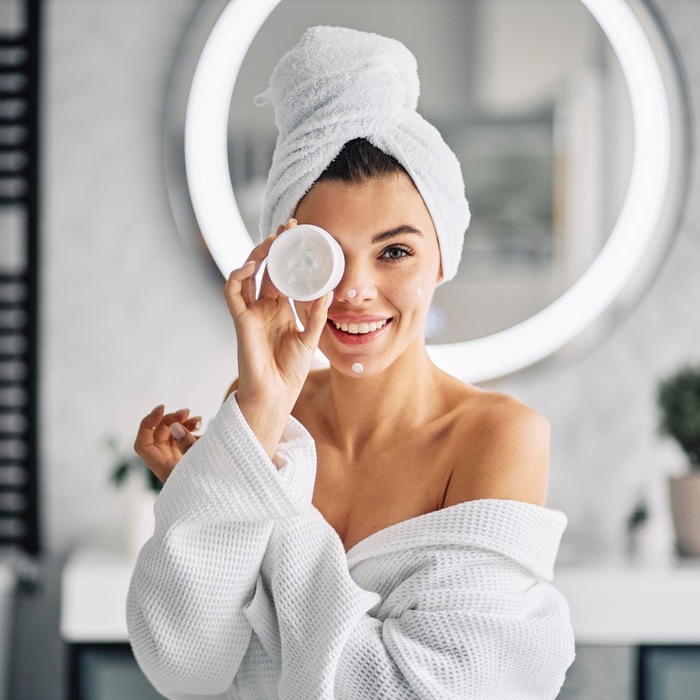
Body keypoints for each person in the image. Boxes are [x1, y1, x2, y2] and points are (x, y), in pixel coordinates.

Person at [128, 26, 575, 700]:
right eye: (324, 256)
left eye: (395, 252)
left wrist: (242, 491)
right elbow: (186, 669)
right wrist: (249, 427)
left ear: (442, 259)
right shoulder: (258, 416)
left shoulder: (497, 436)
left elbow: (421, 691)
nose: (355, 289)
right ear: (285, 260)